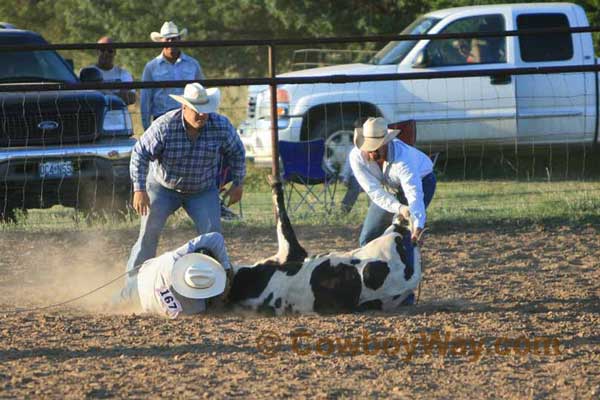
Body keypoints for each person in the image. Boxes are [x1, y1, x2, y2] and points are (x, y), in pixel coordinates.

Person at [127, 82, 245, 276]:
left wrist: (238, 183)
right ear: (184, 107)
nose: (202, 115)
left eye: (205, 110)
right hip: (162, 187)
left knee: (212, 236)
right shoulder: (164, 126)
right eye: (196, 110)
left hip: (202, 190)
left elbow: (237, 152)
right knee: (148, 233)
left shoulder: (221, 126)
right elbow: (140, 153)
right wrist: (139, 189)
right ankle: (132, 283)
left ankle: (215, 284)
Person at [350, 116, 436, 262]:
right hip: (389, 189)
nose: (372, 153)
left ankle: (408, 273)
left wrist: (418, 224)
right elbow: (374, 191)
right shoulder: (356, 158)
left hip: (423, 181)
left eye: (376, 147)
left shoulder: (404, 158)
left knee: (406, 235)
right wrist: (399, 207)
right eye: (368, 148)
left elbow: (413, 192)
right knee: (368, 237)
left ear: (386, 143)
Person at [116, 232, 234, 318]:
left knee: (116, 302)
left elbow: (215, 238)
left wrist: (225, 268)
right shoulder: (194, 308)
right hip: (144, 300)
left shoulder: (175, 258)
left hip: (141, 280)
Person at [141, 21, 205, 130]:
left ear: (179, 40)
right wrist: (147, 127)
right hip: (161, 119)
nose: (170, 42)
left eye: (174, 38)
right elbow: (146, 100)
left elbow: (202, 92)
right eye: (167, 39)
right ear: (161, 41)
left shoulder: (193, 64)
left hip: (188, 118)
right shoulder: (151, 67)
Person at [85, 36, 136, 105]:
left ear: (115, 53)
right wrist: (118, 94)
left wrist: (100, 94)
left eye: (110, 51)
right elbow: (85, 97)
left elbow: (131, 98)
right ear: (97, 51)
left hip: (118, 113)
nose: (106, 54)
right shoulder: (88, 72)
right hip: (95, 114)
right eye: (102, 50)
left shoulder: (123, 73)